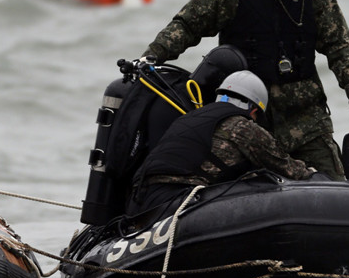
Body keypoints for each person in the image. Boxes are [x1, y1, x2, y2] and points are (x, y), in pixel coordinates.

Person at [142, 0, 349, 180]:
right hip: (245, 119)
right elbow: (186, 25)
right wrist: (152, 56)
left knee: (333, 185)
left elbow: (340, 47)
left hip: (305, 119)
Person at [127, 70, 316, 215]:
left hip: (141, 200)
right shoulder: (243, 126)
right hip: (180, 200)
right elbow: (289, 169)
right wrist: (318, 177)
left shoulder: (189, 118)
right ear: (254, 110)